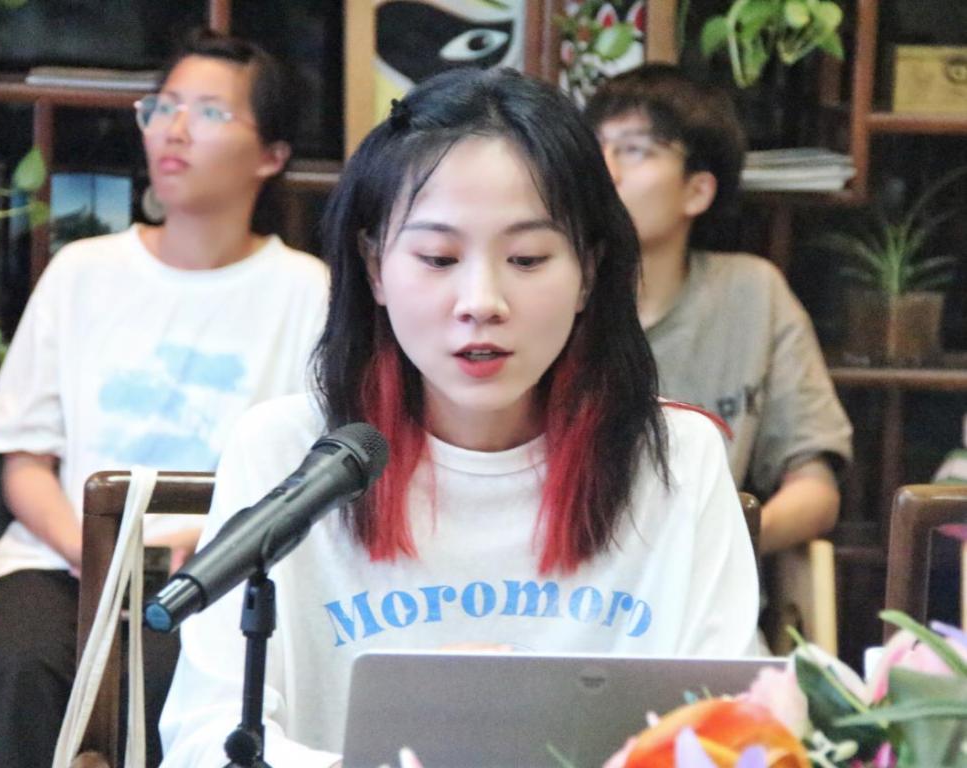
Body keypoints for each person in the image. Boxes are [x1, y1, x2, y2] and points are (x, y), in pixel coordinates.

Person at [159, 66, 760, 768]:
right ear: (375, 267)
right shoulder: (287, 450)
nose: (481, 302)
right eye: (439, 257)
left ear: (589, 272)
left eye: (527, 258)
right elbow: (206, 740)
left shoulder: (676, 457)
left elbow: (736, 732)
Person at [0, 32, 329, 768]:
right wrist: (88, 553)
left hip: (213, 574)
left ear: (272, 155)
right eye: (162, 107)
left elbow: (304, 477)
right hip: (58, 562)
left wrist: (211, 549)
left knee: (171, 686)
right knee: (21, 668)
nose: (174, 129)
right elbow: (25, 462)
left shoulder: (306, 291)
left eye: (209, 112)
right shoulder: (82, 271)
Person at [583, 64, 853, 555]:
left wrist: (713, 555)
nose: (605, 172)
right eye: (594, 148)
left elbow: (815, 488)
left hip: (713, 581)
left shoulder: (752, 293)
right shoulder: (552, 298)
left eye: (635, 150)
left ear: (697, 190)